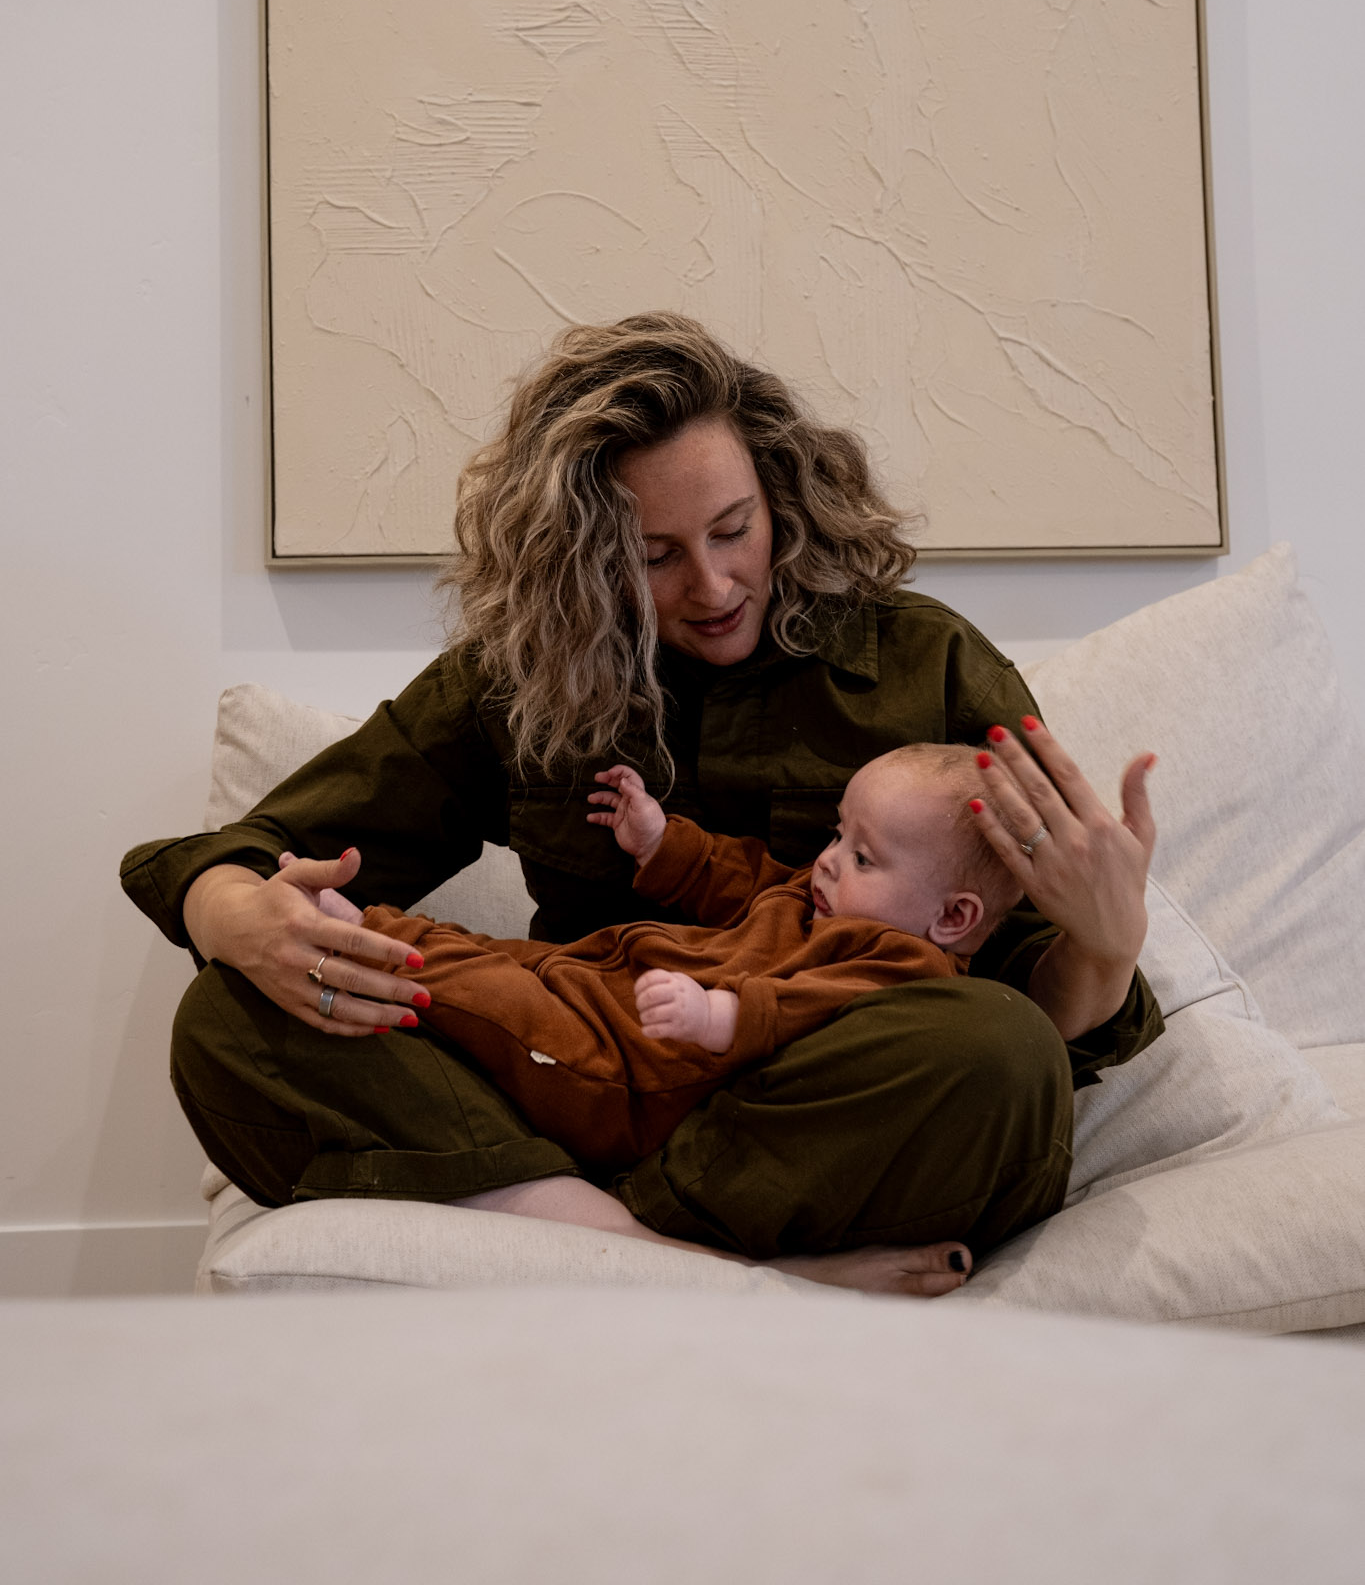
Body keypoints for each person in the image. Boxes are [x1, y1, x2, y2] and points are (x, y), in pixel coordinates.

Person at [122, 312, 1161, 1296]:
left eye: (733, 529)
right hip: (584, 1093)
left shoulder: (924, 663)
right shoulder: (514, 681)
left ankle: (610, 1248)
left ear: (780, 499)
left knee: (999, 1051)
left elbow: (1021, 996)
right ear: (579, 555)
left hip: (830, 1109)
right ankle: (690, 1260)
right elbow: (265, 847)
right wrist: (229, 911)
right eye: (653, 555)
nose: (710, 585)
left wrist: (1108, 950)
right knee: (230, 1015)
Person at [346, 744, 1031, 1171]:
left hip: (627, 1077)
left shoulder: (905, 969)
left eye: (861, 855)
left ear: (952, 917)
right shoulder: (822, 900)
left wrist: (720, 1016)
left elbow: (820, 1010)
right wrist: (657, 842)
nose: (825, 861)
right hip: (600, 987)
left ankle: (361, 934)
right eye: (836, 832)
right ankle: (366, 930)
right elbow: (741, 876)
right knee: (495, 956)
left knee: (484, 991)